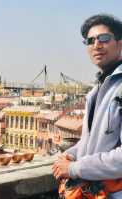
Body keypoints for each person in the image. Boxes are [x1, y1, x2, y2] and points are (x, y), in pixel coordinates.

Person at [52, 14, 122, 199]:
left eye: (104, 38)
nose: (96, 44)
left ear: (120, 43)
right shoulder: (96, 91)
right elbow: (93, 143)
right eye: (90, 40)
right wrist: (68, 156)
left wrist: (74, 169)